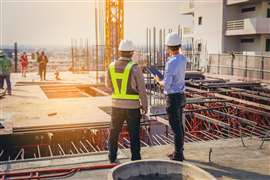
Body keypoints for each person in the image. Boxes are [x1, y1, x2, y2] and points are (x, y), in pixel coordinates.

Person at [106, 40, 148, 163]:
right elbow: (142, 89)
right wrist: (144, 105)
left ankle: (112, 157)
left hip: (116, 106)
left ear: (120, 51)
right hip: (132, 108)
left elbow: (108, 85)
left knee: (114, 131)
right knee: (134, 133)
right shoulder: (135, 67)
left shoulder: (111, 66)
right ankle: (135, 158)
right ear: (131, 53)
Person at [154, 32, 187, 161]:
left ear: (168, 47)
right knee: (180, 126)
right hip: (181, 96)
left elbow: (166, 85)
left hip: (173, 97)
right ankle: (179, 151)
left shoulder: (171, 62)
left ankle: (178, 155)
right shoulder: (183, 58)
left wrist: (158, 80)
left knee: (176, 127)